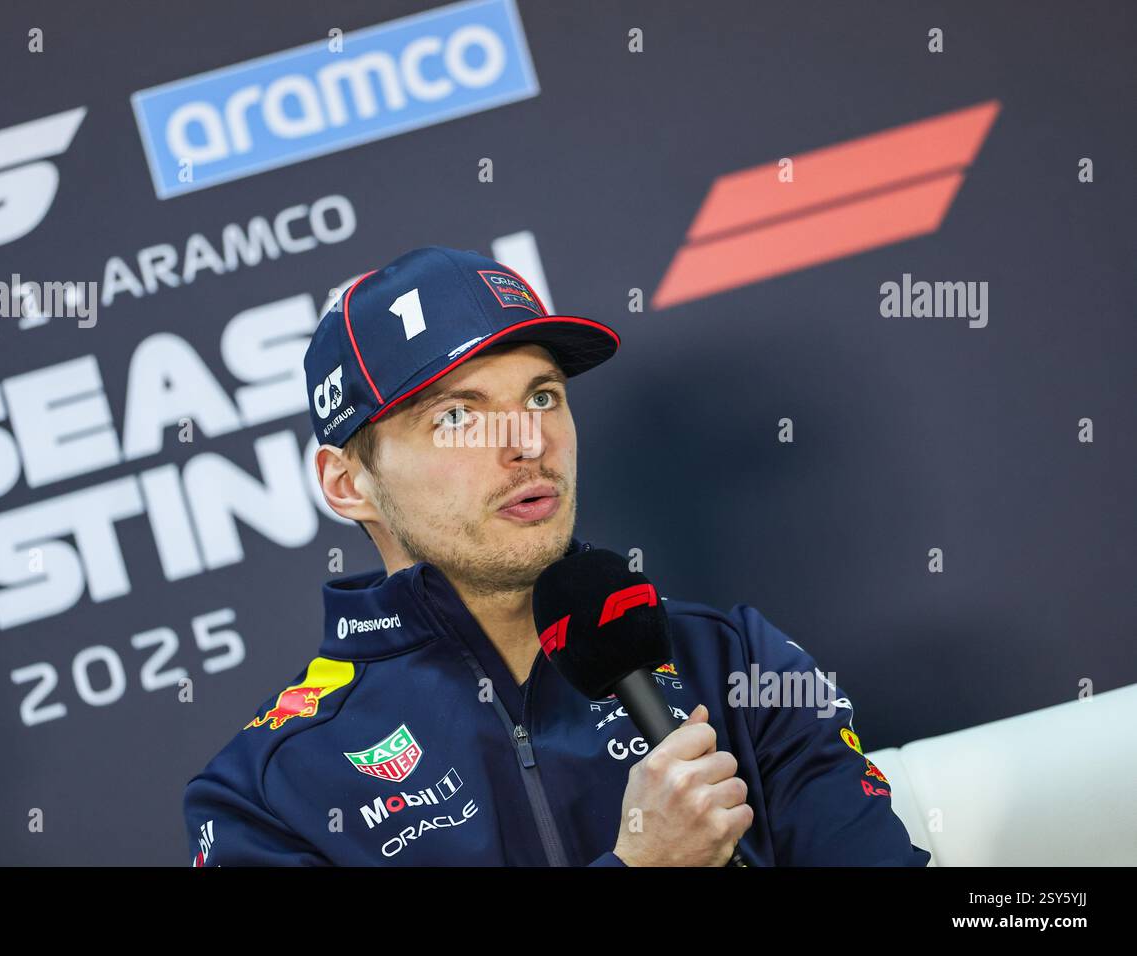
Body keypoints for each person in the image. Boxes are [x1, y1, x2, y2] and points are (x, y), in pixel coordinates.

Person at [183, 245, 930, 866]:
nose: (527, 443)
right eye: (455, 417)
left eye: (541, 397)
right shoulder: (268, 794)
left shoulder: (734, 663)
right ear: (349, 485)